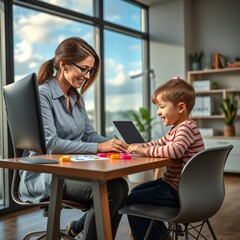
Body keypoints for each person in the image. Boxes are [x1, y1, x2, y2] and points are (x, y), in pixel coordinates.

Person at [18, 37, 129, 240]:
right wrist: (100, 147)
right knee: (111, 190)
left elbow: (89, 135)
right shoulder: (43, 94)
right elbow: (52, 144)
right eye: (84, 69)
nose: (87, 76)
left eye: (91, 71)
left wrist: (116, 145)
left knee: (120, 184)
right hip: (45, 175)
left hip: (69, 170)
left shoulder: (76, 99)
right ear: (63, 65)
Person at [126, 78, 205, 240]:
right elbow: (158, 143)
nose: (158, 112)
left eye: (161, 107)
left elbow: (174, 151)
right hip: (177, 187)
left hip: (179, 192)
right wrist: (139, 147)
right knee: (135, 191)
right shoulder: (177, 129)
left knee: (131, 201)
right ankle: (162, 236)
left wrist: (143, 150)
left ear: (181, 107)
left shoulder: (186, 128)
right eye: (157, 107)